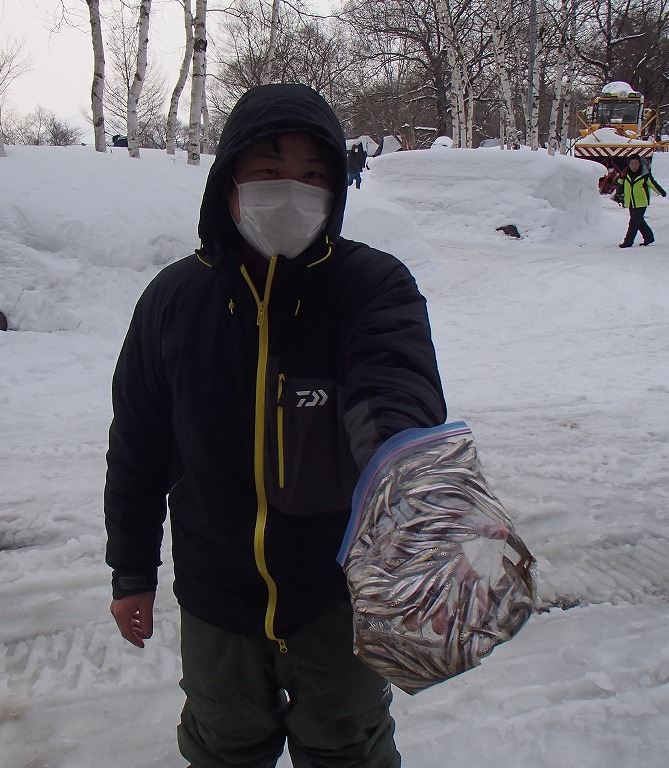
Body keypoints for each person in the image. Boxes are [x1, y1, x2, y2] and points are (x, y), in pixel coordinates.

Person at [104, 83, 447, 768]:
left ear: (336, 189)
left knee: (348, 748)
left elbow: (393, 384)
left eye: (313, 175)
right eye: (268, 170)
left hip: (336, 597)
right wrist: (131, 572)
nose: (291, 191)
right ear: (228, 181)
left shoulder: (370, 286)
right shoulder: (174, 299)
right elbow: (137, 446)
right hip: (216, 599)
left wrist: (400, 457)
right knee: (223, 747)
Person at [615, 155, 667, 248]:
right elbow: (619, 182)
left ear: (640, 164)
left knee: (633, 222)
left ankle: (628, 241)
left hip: (641, 202)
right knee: (639, 221)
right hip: (630, 201)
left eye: (636, 164)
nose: (634, 166)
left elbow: (653, 184)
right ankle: (649, 237)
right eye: (632, 164)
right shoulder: (626, 173)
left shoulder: (644, 175)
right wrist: (621, 177)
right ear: (629, 164)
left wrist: (662, 192)